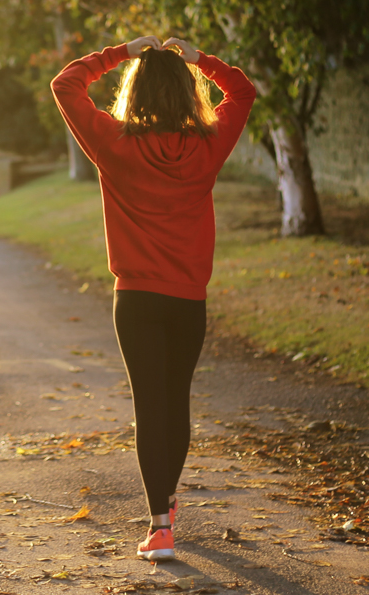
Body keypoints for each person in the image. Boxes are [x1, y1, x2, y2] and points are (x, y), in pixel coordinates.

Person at [51, 35, 256, 560]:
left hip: (136, 299)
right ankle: (164, 504)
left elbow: (66, 84)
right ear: (188, 94)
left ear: (134, 93)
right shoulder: (208, 145)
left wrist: (121, 52)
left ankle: (160, 525)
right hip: (188, 299)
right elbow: (243, 90)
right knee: (176, 401)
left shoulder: (113, 143)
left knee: (150, 405)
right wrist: (200, 60)